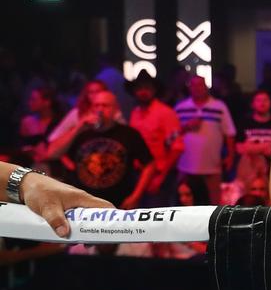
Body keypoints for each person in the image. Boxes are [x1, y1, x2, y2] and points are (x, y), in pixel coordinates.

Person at [44, 90, 156, 209]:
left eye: (105, 105)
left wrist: (135, 196)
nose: (100, 109)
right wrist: (77, 129)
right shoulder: (81, 132)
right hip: (84, 205)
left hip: (118, 204)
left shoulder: (129, 134)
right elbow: (51, 153)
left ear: (116, 109)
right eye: (96, 105)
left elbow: (149, 164)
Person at [174, 76, 236, 206]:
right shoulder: (180, 108)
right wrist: (186, 127)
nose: (197, 88)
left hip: (212, 166)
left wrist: (230, 156)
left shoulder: (219, 107)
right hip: (186, 165)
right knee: (183, 203)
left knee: (213, 204)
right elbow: (172, 135)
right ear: (189, 88)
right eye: (194, 85)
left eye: (200, 85)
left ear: (206, 87)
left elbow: (230, 133)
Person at [128, 72, 183, 207]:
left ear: (154, 90)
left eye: (147, 88)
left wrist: (161, 177)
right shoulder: (135, 113)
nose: (143, 92)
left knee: (156, 219)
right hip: (137, 174)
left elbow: (177, 148)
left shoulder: (166, 113)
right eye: (139, 89)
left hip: (158, 174)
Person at [235, 90, 271, 185]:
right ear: (252, 104)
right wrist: (267, 146)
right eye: (258, 100)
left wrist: (252, 147)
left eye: (265, 100)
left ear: (270, 103)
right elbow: (240, 149)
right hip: (249, 171)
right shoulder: (244, 122)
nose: (262, 103)